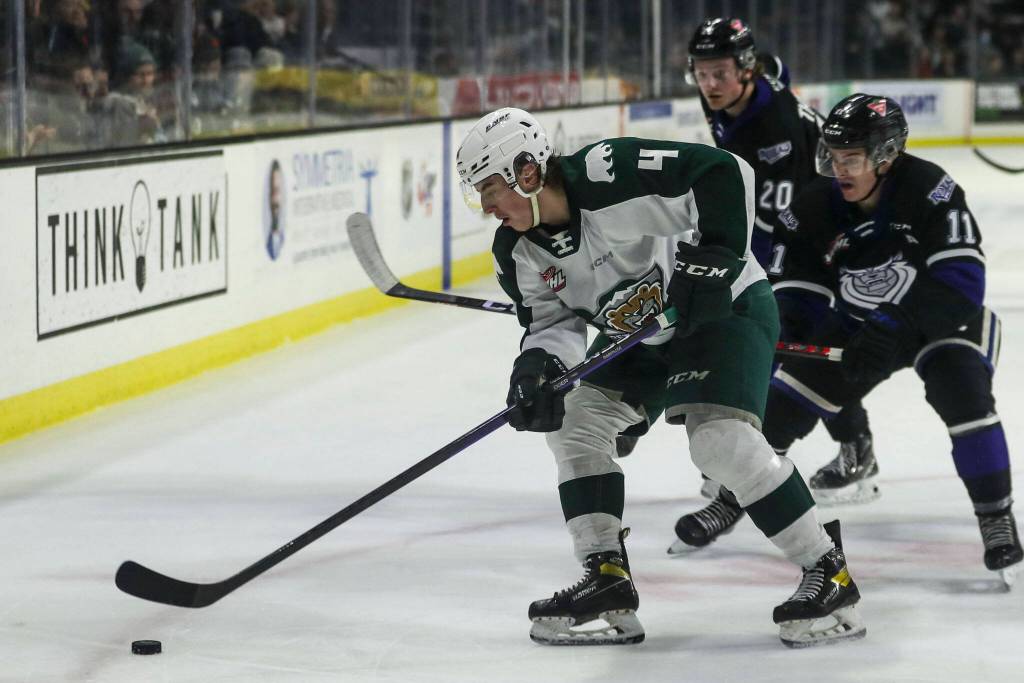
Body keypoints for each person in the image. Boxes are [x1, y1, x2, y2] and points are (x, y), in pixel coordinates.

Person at [456, 107, 866, 647]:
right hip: (641, 335)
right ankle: (606, 577)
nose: (486, 208)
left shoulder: (610, 174)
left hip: (721, 308)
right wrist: (537, 368)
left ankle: (828, 571)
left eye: (489, 189)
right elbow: (551, 321)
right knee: (575, 423)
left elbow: (724, 172)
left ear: (527, 172)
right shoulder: (517, 250)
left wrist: (716, 255)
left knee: (718, 443)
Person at [760, 93, 1022, 586]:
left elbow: (962, 281)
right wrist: (789, 329)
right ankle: (733, 501)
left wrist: (897, 325)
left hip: (941, 316)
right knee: (782, 406)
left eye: (851, 158)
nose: (839, 169)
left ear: (886, 154)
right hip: (861, 320)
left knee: (961, 390)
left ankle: (995, 516)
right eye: (834, 156)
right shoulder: (815, 204)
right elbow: (798, 284)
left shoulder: (931, 189)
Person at [669, 18, 879, 555]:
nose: (709, 84)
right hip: (801, 220)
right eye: (701, 72)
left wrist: (734, 281)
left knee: (791, 340)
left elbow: (775, 225)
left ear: (746, 70)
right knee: (788, 344)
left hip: (826, 230)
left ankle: (842, 450)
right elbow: (777, 72)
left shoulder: (776, 130)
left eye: (719, 73)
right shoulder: (734, 96)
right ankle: (843, 446)